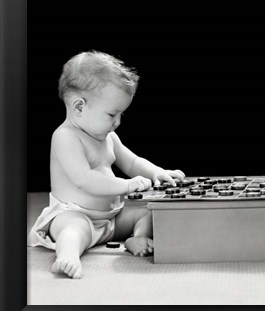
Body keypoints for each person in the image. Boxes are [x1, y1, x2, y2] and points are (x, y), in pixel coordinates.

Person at [28, 51, 185, 278]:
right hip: (75, 215)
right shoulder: (65, 137)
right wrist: (127, 186)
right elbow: (84, 179)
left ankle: (137, 237)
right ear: (79, 107)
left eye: (121, 114)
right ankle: (67, 256)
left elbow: (132, 161)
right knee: (73, 232)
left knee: (148, 213)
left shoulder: (108, 137)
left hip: (110, 219)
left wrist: (158, 172)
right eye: (112, 114)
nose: (117, 122)